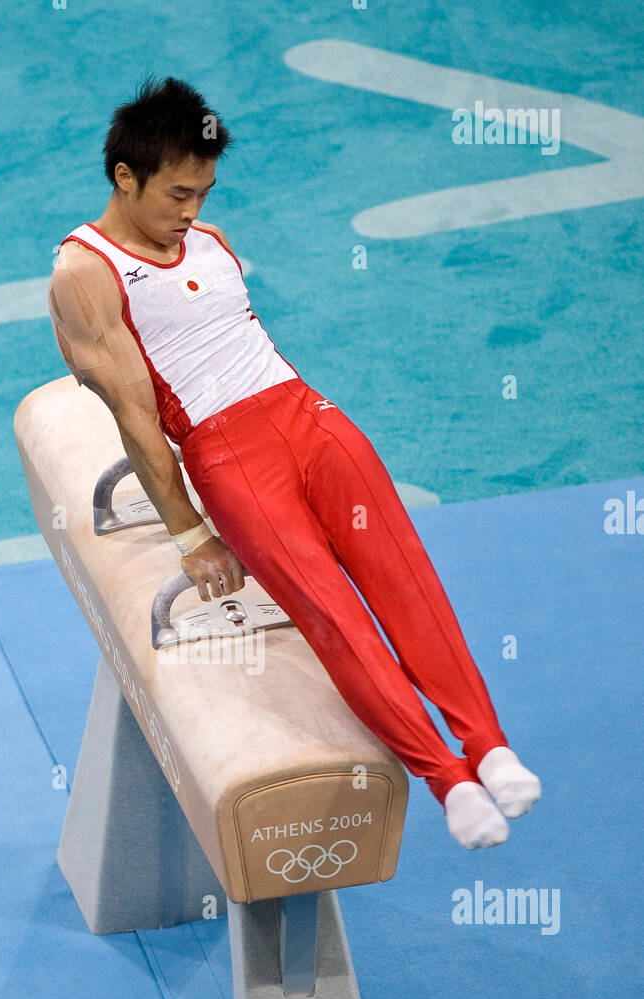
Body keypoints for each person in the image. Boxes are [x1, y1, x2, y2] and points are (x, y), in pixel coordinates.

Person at [47, 75, 541, 849]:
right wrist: (189, 535)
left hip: (310, 418)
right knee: (333, 616)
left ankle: (489, 744)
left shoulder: (208, 243)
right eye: (178, 193)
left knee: (406, 581)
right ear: (124, 177)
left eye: (205, 193)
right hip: (230, 459)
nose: (192, 212)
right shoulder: (85, 272)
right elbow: (136, 418)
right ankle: (443, 777)